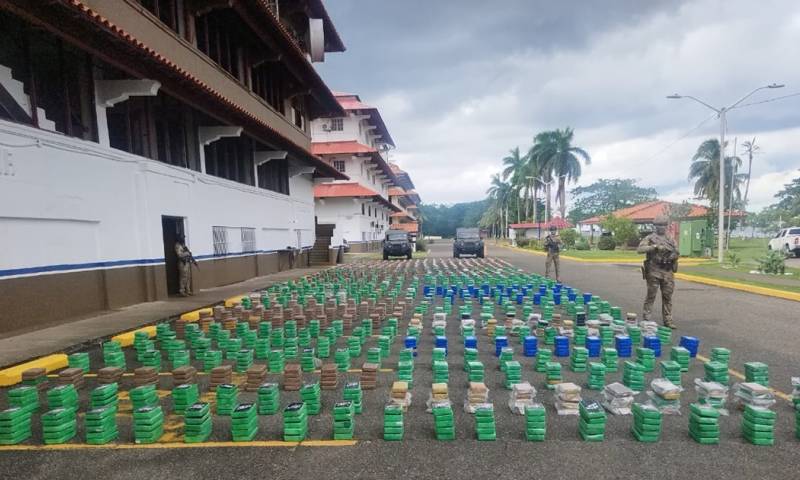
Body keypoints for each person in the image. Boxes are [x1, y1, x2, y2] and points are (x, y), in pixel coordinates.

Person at [637, 214, 679, 329]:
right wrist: (654, 247)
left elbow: (677, 251)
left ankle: (668, 319)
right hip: (654, 271)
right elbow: (640, 249)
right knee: (651, 295)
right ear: (655, 226)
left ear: (667, 226)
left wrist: (672, 256)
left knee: (667, 296)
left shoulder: (670, 239)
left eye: (663, 225)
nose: (661, 227)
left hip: (667, 271)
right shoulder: (650, 238)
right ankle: (647, 318)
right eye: (658, 225)